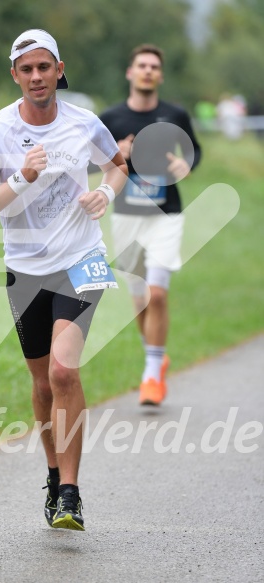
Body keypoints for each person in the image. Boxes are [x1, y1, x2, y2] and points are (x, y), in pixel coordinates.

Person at [0, 29, 128, 531]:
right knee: (40, 383)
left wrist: (107, 193)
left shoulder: (84, 123)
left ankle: (72, 494)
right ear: (15, 75)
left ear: (59, 69)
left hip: (83, 260)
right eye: (26, 69)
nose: (36, 76)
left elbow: (118, 165)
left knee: (62, 371)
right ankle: (54, 478)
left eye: (44, 66)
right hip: (26, 270)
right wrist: (20, 180)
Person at [99, 44, 201, 406]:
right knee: (141, 299)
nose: (147, 71)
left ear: (159, 75)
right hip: (126, 215)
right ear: (130, 72)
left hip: (166, 214)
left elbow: (194, 152)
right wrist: (118, 156)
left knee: (157, 293)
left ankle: (151, 374)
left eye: (153, 66)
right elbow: (95, 162)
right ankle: (157, 355)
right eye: (141, 65)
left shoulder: (175, 114)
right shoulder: (110, 118)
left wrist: (185, 165)